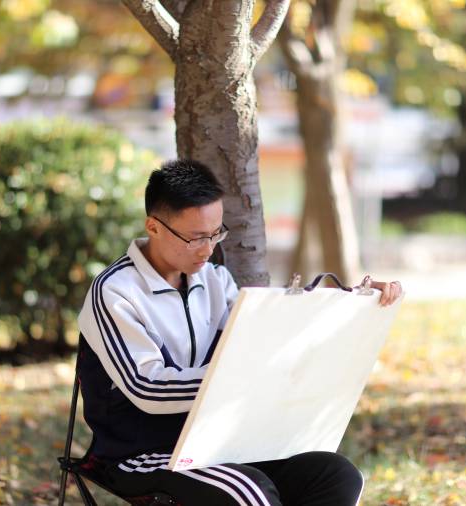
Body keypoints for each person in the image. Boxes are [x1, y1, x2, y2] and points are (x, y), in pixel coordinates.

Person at [77, 159, 402, 505]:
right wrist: (241, 380)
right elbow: (148, 388)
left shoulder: (215, 280)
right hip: (139, 453)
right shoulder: (116, 292)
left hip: (218, 441)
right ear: (153, 227)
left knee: (336, 475)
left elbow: (264, 336)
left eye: (215, 233)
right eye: (195, 238)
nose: (208, 248)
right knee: (249, 492)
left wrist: (354, 303)